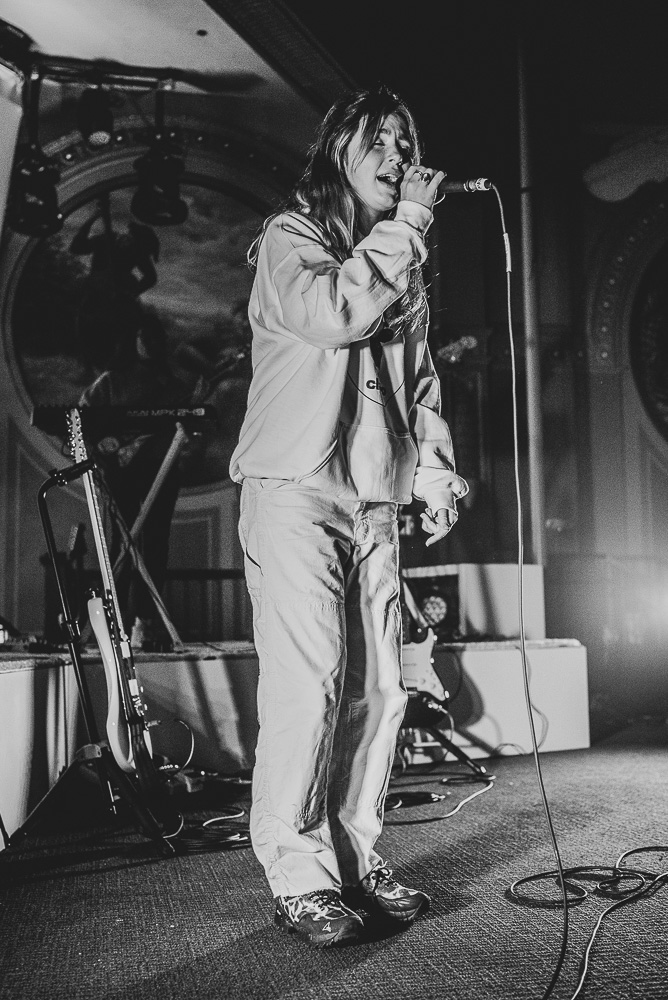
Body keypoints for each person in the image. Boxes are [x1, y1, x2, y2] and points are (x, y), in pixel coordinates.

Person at [229, 86, 468, 947]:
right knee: (311, 682)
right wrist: (405, 223)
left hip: (370, 497)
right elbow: (332, 315)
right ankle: (299, 875)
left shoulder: (399, 263)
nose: (401, 158)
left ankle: (357, 856)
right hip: (294, 489)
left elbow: (419, 385)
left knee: (382, 688)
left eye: (408, 144)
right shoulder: (289, 241)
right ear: (339, 149)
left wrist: (435, 476)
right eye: (384, 141)